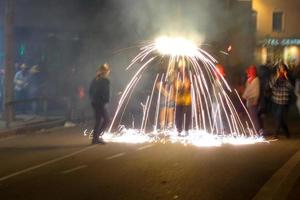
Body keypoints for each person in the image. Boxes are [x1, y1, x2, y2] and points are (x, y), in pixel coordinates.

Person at [269, 63, 293, 138]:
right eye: (280, 69)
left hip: (283, 102)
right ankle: (287, 133)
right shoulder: (274, 77)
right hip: (275, 101)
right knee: (279, 119)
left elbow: (291, 88)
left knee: (279, 117)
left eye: (283, 69)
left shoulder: (288, 78)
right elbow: (271, 85)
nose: (281, 70)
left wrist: (286, 77)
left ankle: (275, 134)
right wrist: (277, 76)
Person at [89, 63, 111, 144]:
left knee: (98, 120)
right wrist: (105, 100)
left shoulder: (95, 79)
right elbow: (105, 92)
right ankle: (97, 137)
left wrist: (93, 99)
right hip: (100, 102)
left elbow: (90, 91)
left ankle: (95, 139)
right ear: (106, 71)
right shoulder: (105, 80)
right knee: (107, 120)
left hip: (94, 102)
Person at [242, 65, 262, 135]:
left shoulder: (255, 80)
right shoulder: (250, 79)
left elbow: (254, 91)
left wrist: (244, 96)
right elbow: (248, 89)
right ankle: (256, 130)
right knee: (253, 116)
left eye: (249, 71)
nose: (248, 73)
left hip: (253, 101)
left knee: (254, 117)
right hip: (250, 100)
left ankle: (257, 131)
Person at [174, 59, 191, 136]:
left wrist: (184, 84)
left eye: (183, 67)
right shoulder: (177, 75)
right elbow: (176, 86)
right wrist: (180, 85)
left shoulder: (188, 75)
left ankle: (187, 129)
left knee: (187, 114)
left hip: (187, 99)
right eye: (180, 67)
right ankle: (179, 129)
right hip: (179, 99)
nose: (182, 68)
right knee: (178, 115)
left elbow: (188, 86)